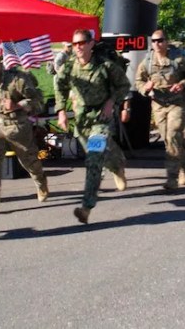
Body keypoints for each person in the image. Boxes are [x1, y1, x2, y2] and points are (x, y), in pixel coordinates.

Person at [55, 29, 131, 224]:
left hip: (101, 118)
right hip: (82, 120)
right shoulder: (69, 66)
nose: (78, 47)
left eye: (81, 43)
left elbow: (124, 85)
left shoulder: (105, 65)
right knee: (103, 152)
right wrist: (61, 110)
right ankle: (117, 166)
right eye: (74, 44)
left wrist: (112, 102)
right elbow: (60, 85)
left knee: (94, 158)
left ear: (91, 44)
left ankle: (86, 207)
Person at [0, 52, 50, 211]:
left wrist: (18, 105)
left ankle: (41, 182)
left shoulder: (17, 80)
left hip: (18, 125)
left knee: (29, 161)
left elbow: (38, 102)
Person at [136, 29, 185, 191]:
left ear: (167, 41)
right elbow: (138, 81)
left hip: (177, 104)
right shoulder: (147, 62)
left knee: (172, 136)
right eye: (154, 41)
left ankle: (172, 177)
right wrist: (145, 88)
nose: (157, 44)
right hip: (158, 105)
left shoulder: (178, 59)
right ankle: (183, 166)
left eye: (160, 40)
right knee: (168, 139)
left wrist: (182, 84)